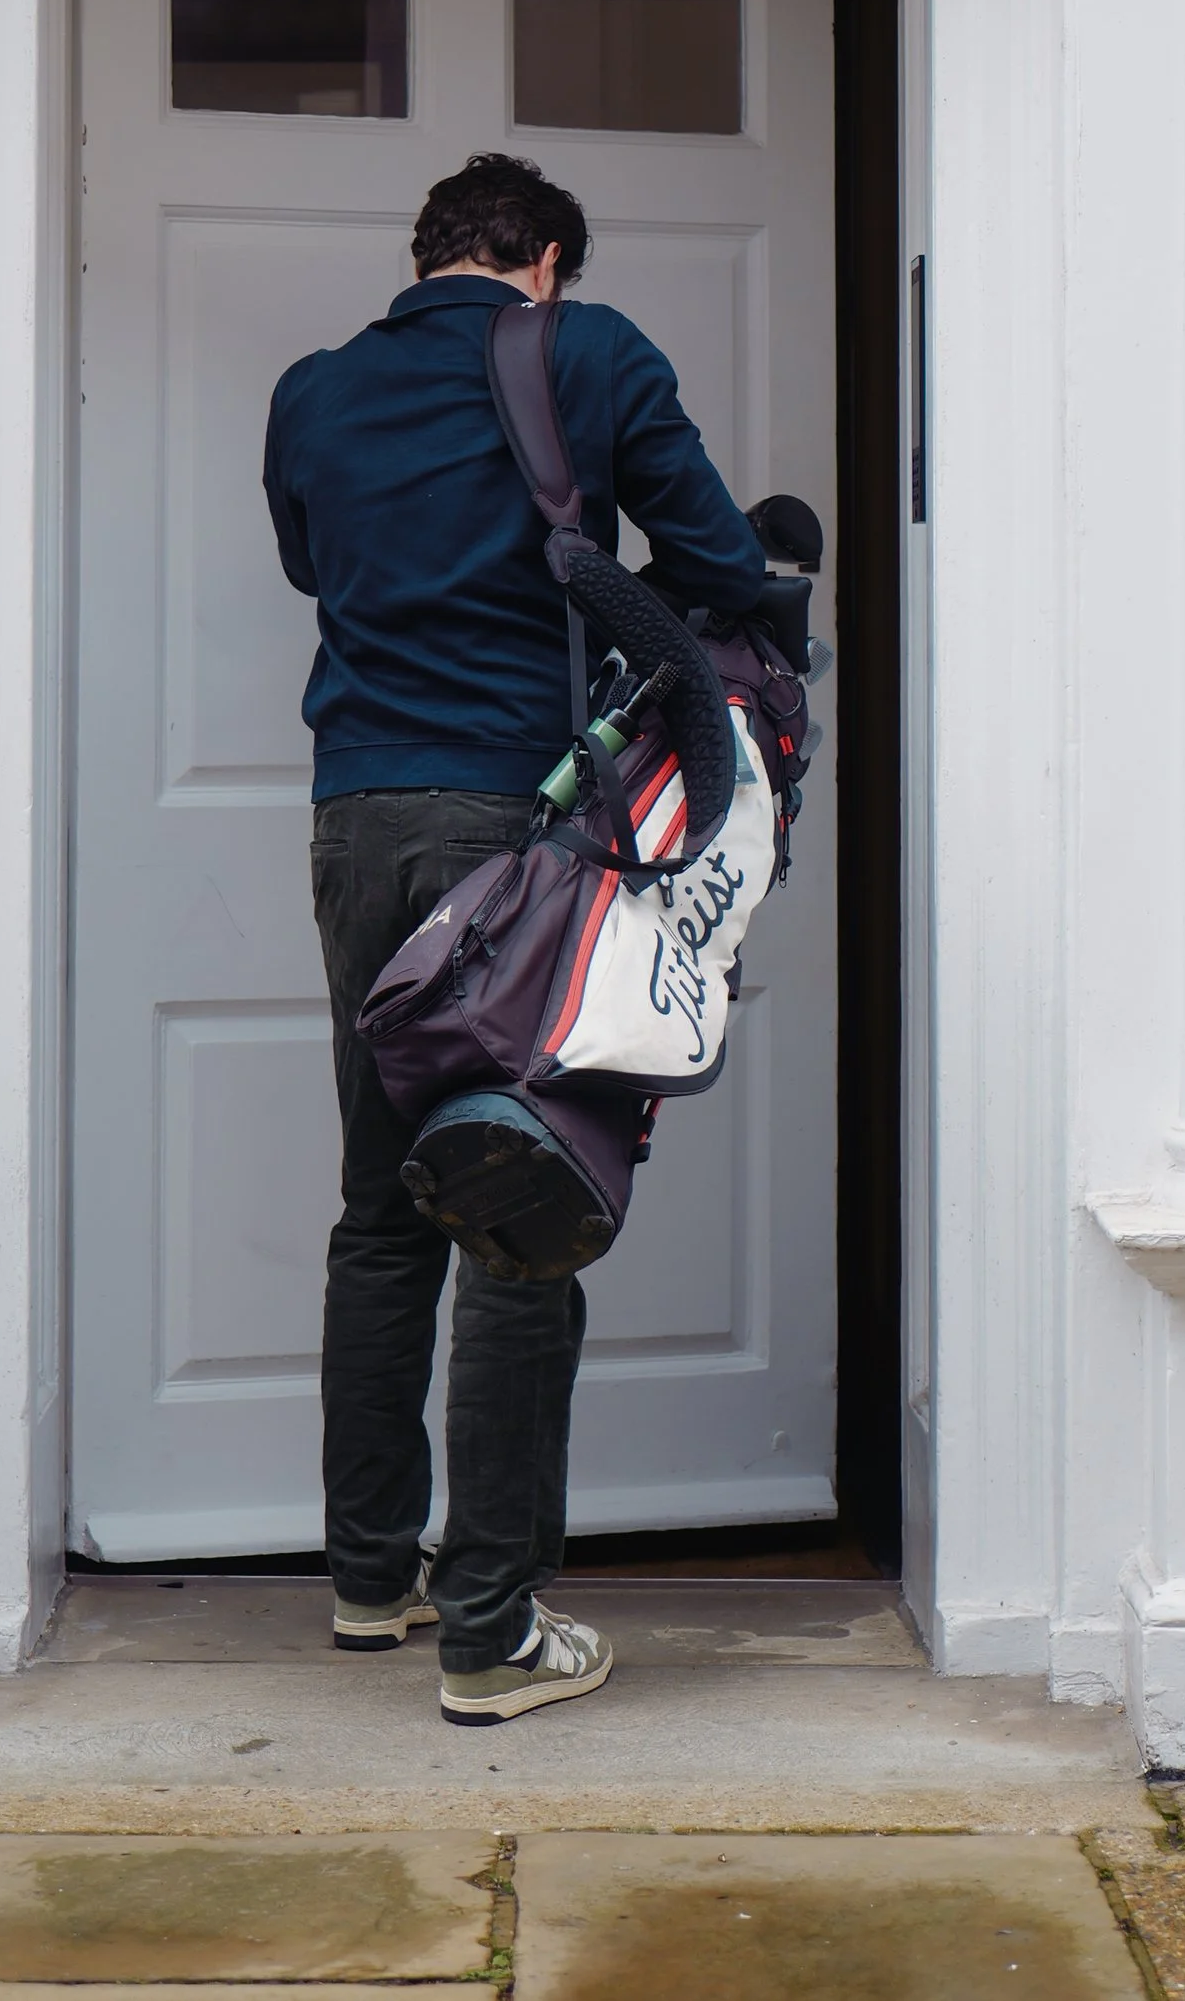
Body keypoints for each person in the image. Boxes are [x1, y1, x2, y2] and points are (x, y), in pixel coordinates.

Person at [263, 152, 767, 1724]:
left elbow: (317, 566)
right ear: (543, 261)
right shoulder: (591, 351)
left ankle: (370, 1580)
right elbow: (720, 565)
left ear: (431, 259)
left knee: (379, 1207)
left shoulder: (312, 393)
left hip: (361, 823)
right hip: (525, 843)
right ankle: (489, 1630)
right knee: (520, 1210)